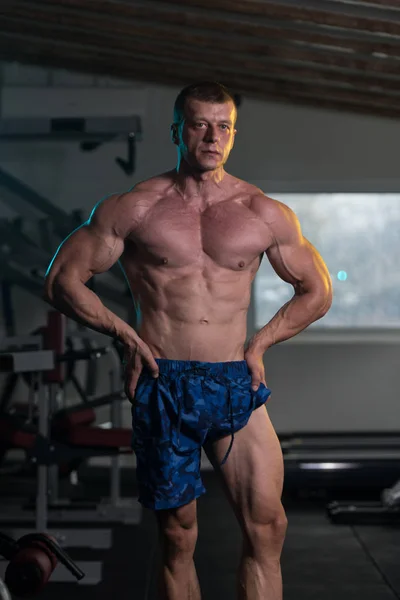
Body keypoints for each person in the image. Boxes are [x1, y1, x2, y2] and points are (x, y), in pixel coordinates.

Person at [44, 81, 332, 600]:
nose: (212, 136)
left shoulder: (262, 212)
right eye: (199, 124)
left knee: (267, 527)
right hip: (163, 382)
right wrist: (126, 336)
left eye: (223, 127)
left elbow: (318, 290)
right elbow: (61, 280)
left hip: (233, 380)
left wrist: (260, 344)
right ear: (178, 130)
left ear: (233, 135)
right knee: (178, 536)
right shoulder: (133, 208)